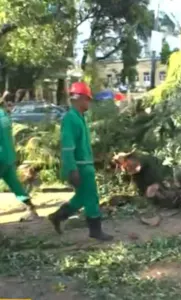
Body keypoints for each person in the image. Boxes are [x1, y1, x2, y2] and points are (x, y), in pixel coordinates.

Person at [48, 82, 113, 241]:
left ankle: (57, 216)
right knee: (91, 197)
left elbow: (81, 144)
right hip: (79, 167)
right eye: (87, 99)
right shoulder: (70, 118)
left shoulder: (79, 117)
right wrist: (72, 169)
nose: (89, 103)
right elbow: (67, 146)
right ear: (79, 99)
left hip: (85, 164)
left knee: (82, 197)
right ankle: (95, 230)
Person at [0, 91, 39, 220]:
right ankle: (31, 209)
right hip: (9, 156)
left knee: (15, 184)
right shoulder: (4, 115)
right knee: (15, 185)